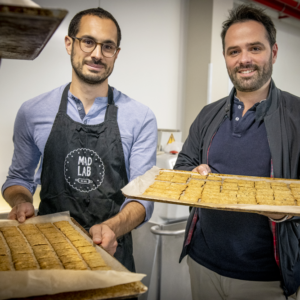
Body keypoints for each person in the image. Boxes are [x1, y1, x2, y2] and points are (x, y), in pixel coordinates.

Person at [2, 7, 157, 272]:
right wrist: (21, 202)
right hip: (49, 254)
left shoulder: (140, 117)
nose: (97, 54)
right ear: (69, 43)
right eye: (88, 42)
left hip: (111, 255)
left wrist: (112, 228)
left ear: (116, 54)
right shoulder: (33, 112)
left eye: (108, 46)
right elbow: (17, 180)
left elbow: (143, 199)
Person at [175, 4, 300, 300]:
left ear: (274, 52)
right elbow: (183, 165)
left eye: (254, 48)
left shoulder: (297, 115)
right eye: (234, 51)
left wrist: (284, 212)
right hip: (202, 264)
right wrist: (192, 175)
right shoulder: (208, 114)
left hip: (266, 279)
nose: (244, 59)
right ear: (226, 58)